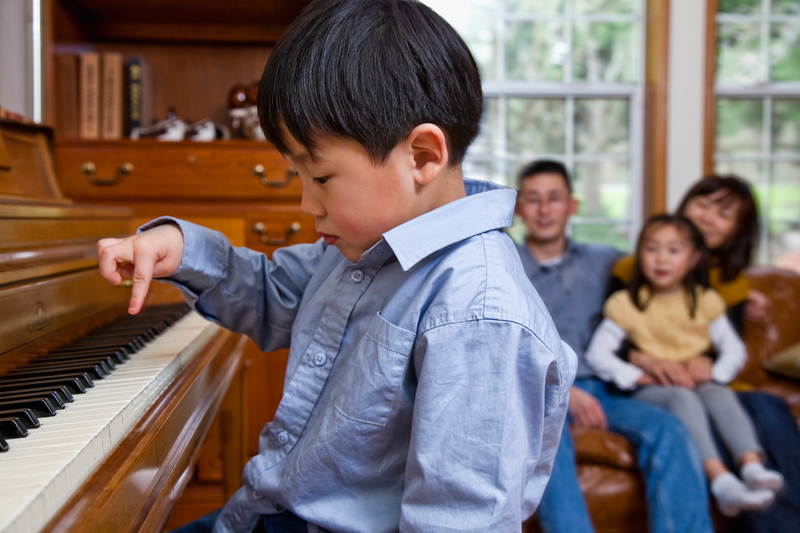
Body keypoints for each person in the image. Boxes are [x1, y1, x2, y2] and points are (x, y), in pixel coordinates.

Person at [96, 2, 577, 532]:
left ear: (421, 156)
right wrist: (182, 249)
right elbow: (273, 295)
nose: (307, 204)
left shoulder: (478, 312)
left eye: (320, 178)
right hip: (262, 514)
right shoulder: (356, 249)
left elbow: (457, 519)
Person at [514, 160, 713, 533]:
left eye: (554, 198)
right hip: (540, 395)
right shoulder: (506, 267)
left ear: (571, 206)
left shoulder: (606, 261)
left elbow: (676, 264)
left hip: (608, 388)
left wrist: (740, 299)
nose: (544, 210)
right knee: (549, 440)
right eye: (534, 199)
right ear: (520, 209)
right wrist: (564, 391)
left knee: (668, 429)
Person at [614, 174, 800, 532]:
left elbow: (725, 351)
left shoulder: (732, 285)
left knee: (768, 408)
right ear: (685, 205)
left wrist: (707, 363)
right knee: (709, 416)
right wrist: (643, 358)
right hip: (662, 386)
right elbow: (616, 340)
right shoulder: (633, 269)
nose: (707, 217)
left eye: (724, 213)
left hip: (713, 386)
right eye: (703, 204)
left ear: (737, 230)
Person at [585, 214, 783, 517]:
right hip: (654, 389)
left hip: (697, 382)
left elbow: (733, 349)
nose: (661, 258)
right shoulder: (626, 303)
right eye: (651, 249)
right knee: (682, 398)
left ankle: (752, 467)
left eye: (673, 250)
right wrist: (639, 376)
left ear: (693, 259)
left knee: (720, 394)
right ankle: (721, 481)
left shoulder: (705, 301)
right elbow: (598, 355)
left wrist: (714, 372)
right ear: (640, 255)